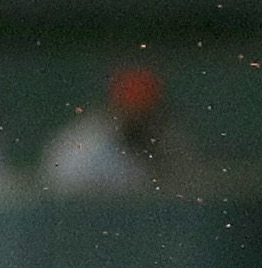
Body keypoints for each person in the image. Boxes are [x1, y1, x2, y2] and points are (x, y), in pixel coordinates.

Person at [39, 64, 202, 193]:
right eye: (137, 114)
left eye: (150, 114)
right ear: (117, 110)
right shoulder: (85, 153)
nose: (146, 122)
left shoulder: (166, 146)